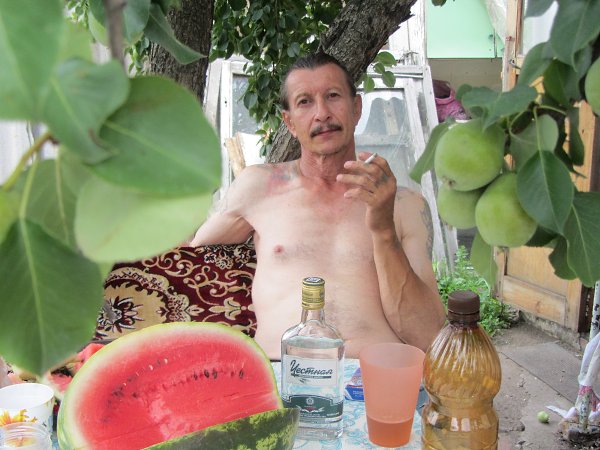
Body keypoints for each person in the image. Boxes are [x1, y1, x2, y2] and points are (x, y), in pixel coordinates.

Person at [191, 52, 445, 359]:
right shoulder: (258, 187)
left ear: (356, 108)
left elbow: (428, 335)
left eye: (333, 96)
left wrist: (383, 229)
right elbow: (190, 248)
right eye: (305, 102)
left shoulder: (406, 204)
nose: (322, 113)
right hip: (279, 373)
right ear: (289, 122)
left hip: (374, 375)